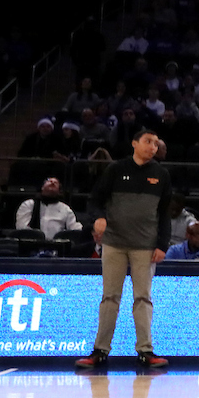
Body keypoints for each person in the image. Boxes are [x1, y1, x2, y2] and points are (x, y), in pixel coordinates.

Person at [75, 129, 172, 370]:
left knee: (143, 298)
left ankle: (145, 351)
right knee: (109, 297)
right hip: (114, 243)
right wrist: (97, 217)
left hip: (145, 246)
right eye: (148, 142)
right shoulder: (116, 169)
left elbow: (165, 214)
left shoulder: (161, 174)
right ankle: (100, 351)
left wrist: (162, 244)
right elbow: (95, 200)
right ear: (134, 143)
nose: (153, 147)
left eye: (156, 143)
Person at [15, 177, 81, 239]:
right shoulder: (29, 204)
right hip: (31, 244)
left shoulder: (65, 209)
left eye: (55, 183)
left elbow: (74, 229)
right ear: (42, 187)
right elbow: (21, 227)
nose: (52, 183)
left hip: (56, 245)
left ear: (59, 191)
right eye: (49, 181)